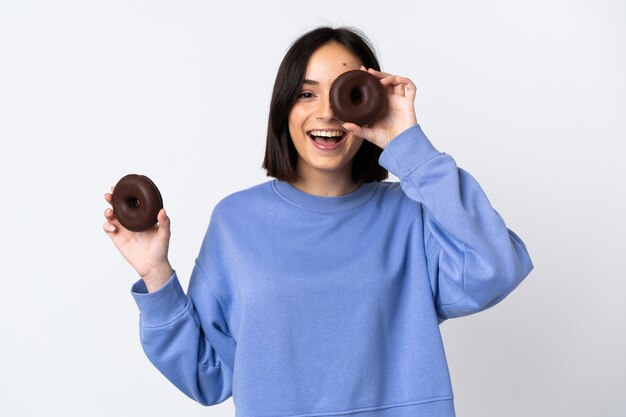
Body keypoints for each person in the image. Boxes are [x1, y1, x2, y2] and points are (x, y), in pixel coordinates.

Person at [103, 26, 533, 417]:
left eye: (344, 93)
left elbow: (496, 268)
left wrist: (410, 146)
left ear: (368, 103)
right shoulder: (236, 222)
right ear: (283, 107)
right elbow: (210, 375)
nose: (326, 113)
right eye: (307, 94)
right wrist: (156, 273)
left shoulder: (413, 215)